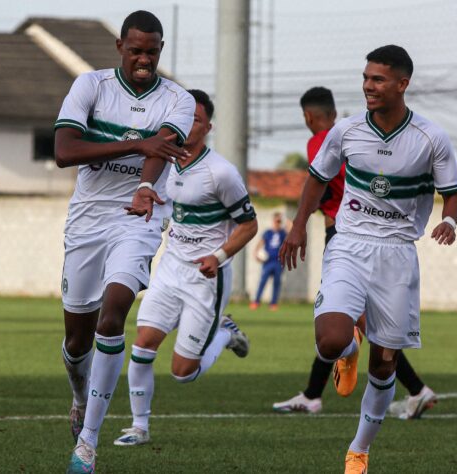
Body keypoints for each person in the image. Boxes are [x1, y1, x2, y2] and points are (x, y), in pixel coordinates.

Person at [280, 45, 457, 473]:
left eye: (378, 79)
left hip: (398, 256)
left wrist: (450, 222)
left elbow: (453, 196)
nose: (368, 86)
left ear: (403, 84)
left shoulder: (430, 138)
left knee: (385, 362)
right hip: (349, 244)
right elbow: (316, 180)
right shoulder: (345, 131)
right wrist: (296, 225)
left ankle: (359, 450)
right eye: (366, 78)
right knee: (329, 337)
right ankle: (346, 350)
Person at [54, 10, 196, 474]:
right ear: (120, 47)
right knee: (77, 341)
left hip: (139, 216)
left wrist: (145, 186)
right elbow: (65, 151)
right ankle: (79, 397)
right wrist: (135, 146)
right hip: (88, 219)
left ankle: (87, 446)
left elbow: (164, 148)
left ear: (160, 50)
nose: (144, 59)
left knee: (113, 313)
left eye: (152, 52)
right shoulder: (90, 87)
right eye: (136, 50)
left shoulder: (178, 98)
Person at [273, 87, 437, 419]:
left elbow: (330, 183)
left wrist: (307, 218)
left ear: (308, 116)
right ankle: (313, 393)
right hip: (376, 235)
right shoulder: (356, 132)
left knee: (359, 320)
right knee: (351, 320)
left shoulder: (321, 141)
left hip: (348, 236)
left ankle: (417, 389)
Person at [113, 89, 258, 446]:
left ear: (208, 125)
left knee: (182, 373)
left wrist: (218, 257)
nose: (188, 124)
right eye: (184, 117)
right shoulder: (164, 162)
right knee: (142, 347)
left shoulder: (221, 173)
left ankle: (224, 333)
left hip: (206, 278)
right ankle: (139, 427)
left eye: (196, 119)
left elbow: (249, 225)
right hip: (170, 269)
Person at [249, 212, 287, 311]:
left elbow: (290, 234)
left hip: (278, 262)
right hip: (268, 261)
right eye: (276, 221)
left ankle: (273, 303)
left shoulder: (283, 233)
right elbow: (260, 243)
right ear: (273, 221)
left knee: (276, 283)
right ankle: (256, 302)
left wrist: (287, 222)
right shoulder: (268, 233)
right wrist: (256, 254)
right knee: (263, 281)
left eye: (280, 221)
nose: (278, 223)